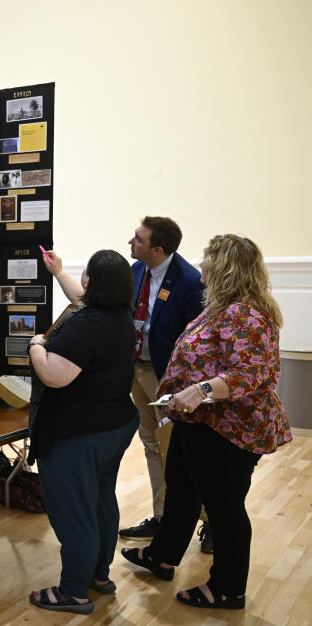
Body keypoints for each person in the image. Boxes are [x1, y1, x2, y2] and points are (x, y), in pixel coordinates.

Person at [121, 234, 291, 610]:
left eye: (208, 260)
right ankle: (162, 556)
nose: (202, 267)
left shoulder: (245, 314)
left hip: (228, 427)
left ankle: (228, 589)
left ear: (226, 267)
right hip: (199, 423)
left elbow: (251, 372)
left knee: (225, 508)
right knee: (181, 487)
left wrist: (198, 391)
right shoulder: (222, 308)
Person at [26, 249, 139, 615]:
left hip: (79, 433)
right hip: (114, 424)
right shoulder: (119, 314)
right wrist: (58, 273)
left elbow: (53, 376)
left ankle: (73, 592)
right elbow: (80, 297)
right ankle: (98, 575)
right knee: (99, 502)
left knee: (74, 510)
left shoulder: (86, 326)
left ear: (93, 283)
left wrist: (36, 346)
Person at [119, 216, 207, 547]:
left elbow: (196, 341)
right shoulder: (135, 272)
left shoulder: (189, 281)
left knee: (182, 450)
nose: (131, 243)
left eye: (138, 239)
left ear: (157, 249)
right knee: (153, 445)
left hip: (171, 378)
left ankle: (208, 521)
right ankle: (161, 517)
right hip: (138, 371)